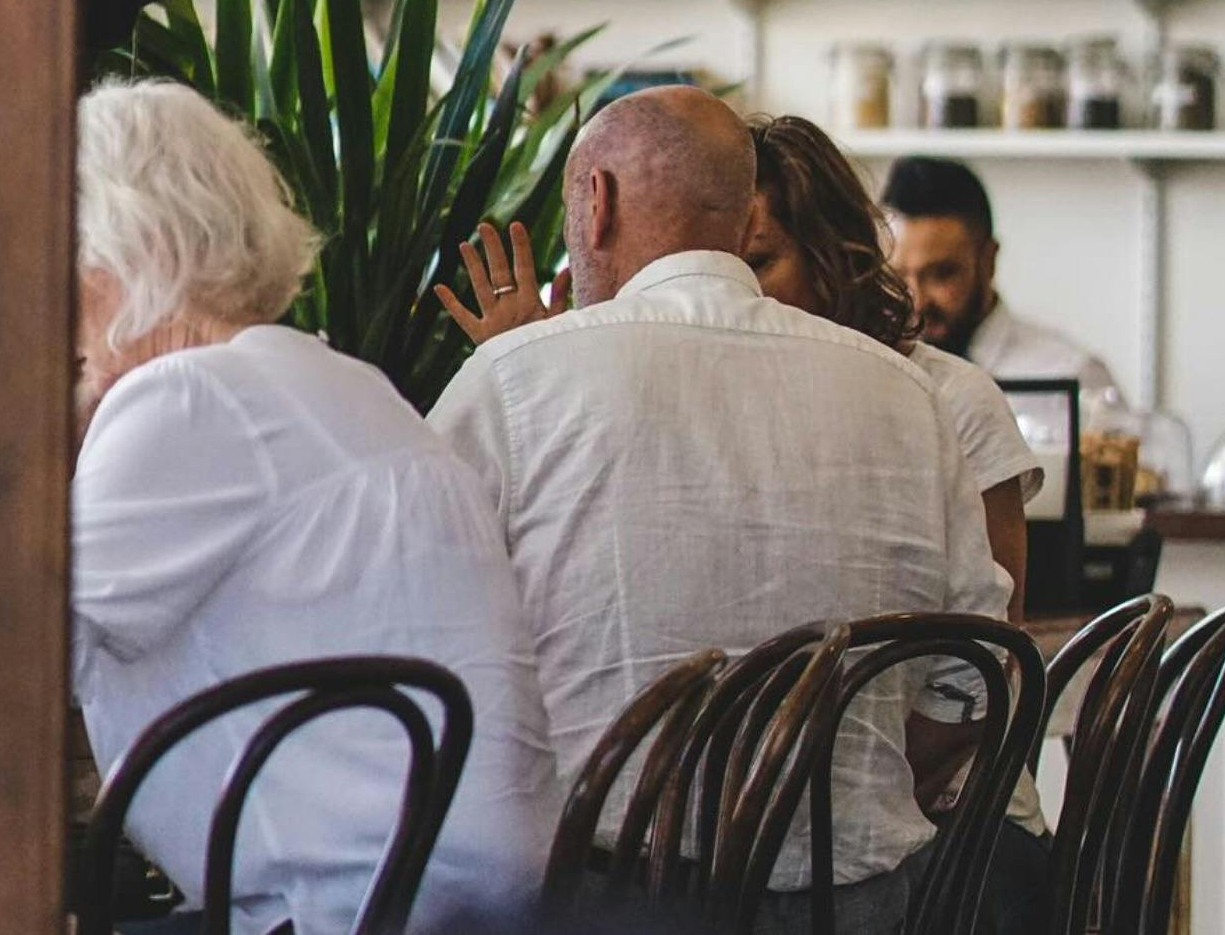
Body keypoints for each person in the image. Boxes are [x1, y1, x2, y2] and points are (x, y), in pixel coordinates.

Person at [0, 81, 564, 935]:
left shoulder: (194, 399)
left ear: (110, 259)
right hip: (468, 890)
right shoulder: (331, 380)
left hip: (350, 905)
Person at [429, 86, 1009, 935]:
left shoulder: (516, 378)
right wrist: (825, 817)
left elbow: (414, 628)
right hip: (854, 907)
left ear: (596, 205)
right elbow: (974, 672)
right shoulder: (906, 393)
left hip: (604, 904)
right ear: (741, 220)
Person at [744, 116, 1052, 935]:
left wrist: (840, 796)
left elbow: (989, 670)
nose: (734, 294)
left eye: (759, 263)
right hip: (798, 831)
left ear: (834, 256)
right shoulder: (743, 398)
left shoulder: (952, 398)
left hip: (962, 832)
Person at [881, 156, 1120, 400]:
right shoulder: (875, 372)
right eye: (897, 276)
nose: (917, 301)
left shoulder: (1071, 376)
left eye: (942, 274)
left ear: (988, 261)